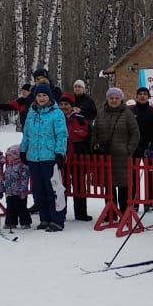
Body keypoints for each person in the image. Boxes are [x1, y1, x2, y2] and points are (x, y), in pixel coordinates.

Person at [20, 83, 67, 231]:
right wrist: (23, 150)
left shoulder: (56, 113)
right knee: (38, 191)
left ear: (49, 97)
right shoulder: (31, 113)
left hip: (49, 157)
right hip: (34, 157)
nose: (41, 98)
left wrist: (60, 153)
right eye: (39, 96)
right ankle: (44, 218)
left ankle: (57, 220)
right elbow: (26, 133)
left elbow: (61, 134)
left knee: (52, 190)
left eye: (44, 96)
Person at [92, 87, 140, 214]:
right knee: (108, 187)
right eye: (111, 98)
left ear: (121, 99)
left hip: (122, 158)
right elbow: (95, 132)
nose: (114, 100)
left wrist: (128, 150)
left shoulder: (127, 114)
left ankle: (124, 213)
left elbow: (135, 133)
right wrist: (95, 145)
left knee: (124, 186)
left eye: (116, 98)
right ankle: (110, 213)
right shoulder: (101, 113)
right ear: (107, 99)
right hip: (106, 156)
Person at [59, 92, 94, 221]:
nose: (63, 107)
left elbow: (90, 136)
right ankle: (61, 212)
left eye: (66, 104)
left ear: (72, 105)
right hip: (63, 157)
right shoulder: (56, 118)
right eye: (61, 104)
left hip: (79, 157)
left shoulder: (81, 119)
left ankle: (81, 213)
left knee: (80, 186)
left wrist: (88, 153)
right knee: (62, 186)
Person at [0, 145, 33, 229]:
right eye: (7, 155)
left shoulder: (22, 166)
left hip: (19, 193)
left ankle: (25, 222)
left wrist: (22, 190)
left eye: (10, 155)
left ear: (16, 155)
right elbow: (4, 179)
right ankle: (10, 222)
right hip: (9, 192)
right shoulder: (9, 166)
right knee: (10, 208)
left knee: (21, 207)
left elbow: (24, 179)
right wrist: (1, 189)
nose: (8, 157)